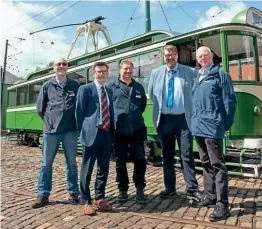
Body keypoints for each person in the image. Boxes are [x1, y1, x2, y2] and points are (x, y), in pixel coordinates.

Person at [148, 45, 201, 201]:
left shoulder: (190, 72)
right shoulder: (156, 73)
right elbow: (152, 94)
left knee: (186, 154)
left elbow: (196, 93)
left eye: (172, 54)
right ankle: (170, 188)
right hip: (164, 119)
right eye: (167, 55)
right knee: (167, 155)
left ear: (177, 55)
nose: (169, 57)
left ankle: (192, 188)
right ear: (163, 56)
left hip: (183, 119)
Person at [191, 46, 236, 222]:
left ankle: (222, 204)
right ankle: (209, 196)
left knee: (218, 165)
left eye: (206, 54)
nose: (203, 57)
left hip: (213, 126)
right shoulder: (198, 76)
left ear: (212, 56)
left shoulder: (220, 74)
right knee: (205, 163)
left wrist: (226, 124)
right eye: (200, 55)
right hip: (198, 126)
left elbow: (229, 101)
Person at [32, 57, 80, 208]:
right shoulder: (47, 85)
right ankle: (43, 194)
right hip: (51, 132)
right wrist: (50, 121)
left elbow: (78, 106)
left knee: (71, 164)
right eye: (58, 64)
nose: (61, 66)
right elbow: (40, 108)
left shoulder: (75, 85)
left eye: (64, 64)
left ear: (67, 67)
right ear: (54, 68)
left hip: (70, 131)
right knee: (46, 164)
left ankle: (73, 192)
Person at [76, 62, 114, 215]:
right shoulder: (85, 89)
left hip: (106, 133)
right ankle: (85, 200)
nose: (101, 74)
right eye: (98, 72)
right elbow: (78, 113)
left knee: (103, 168)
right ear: (93, 73)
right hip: (91, 133)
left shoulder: (109, 90)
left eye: (104, 71)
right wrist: (83, 132)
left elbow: (110, 111)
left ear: (107, 73)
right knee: (87, 168)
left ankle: (99, 198)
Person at [109, 60, 147, 204]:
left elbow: (142, 106)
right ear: (120, 70)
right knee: (120, 161)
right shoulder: (112, 87)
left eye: (130, 69)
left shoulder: (139, 87)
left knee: (140, 159)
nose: (128, 71)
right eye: (125, 69)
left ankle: (140, 188)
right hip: (119, 130)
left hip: (137, 129)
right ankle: (122, 189)